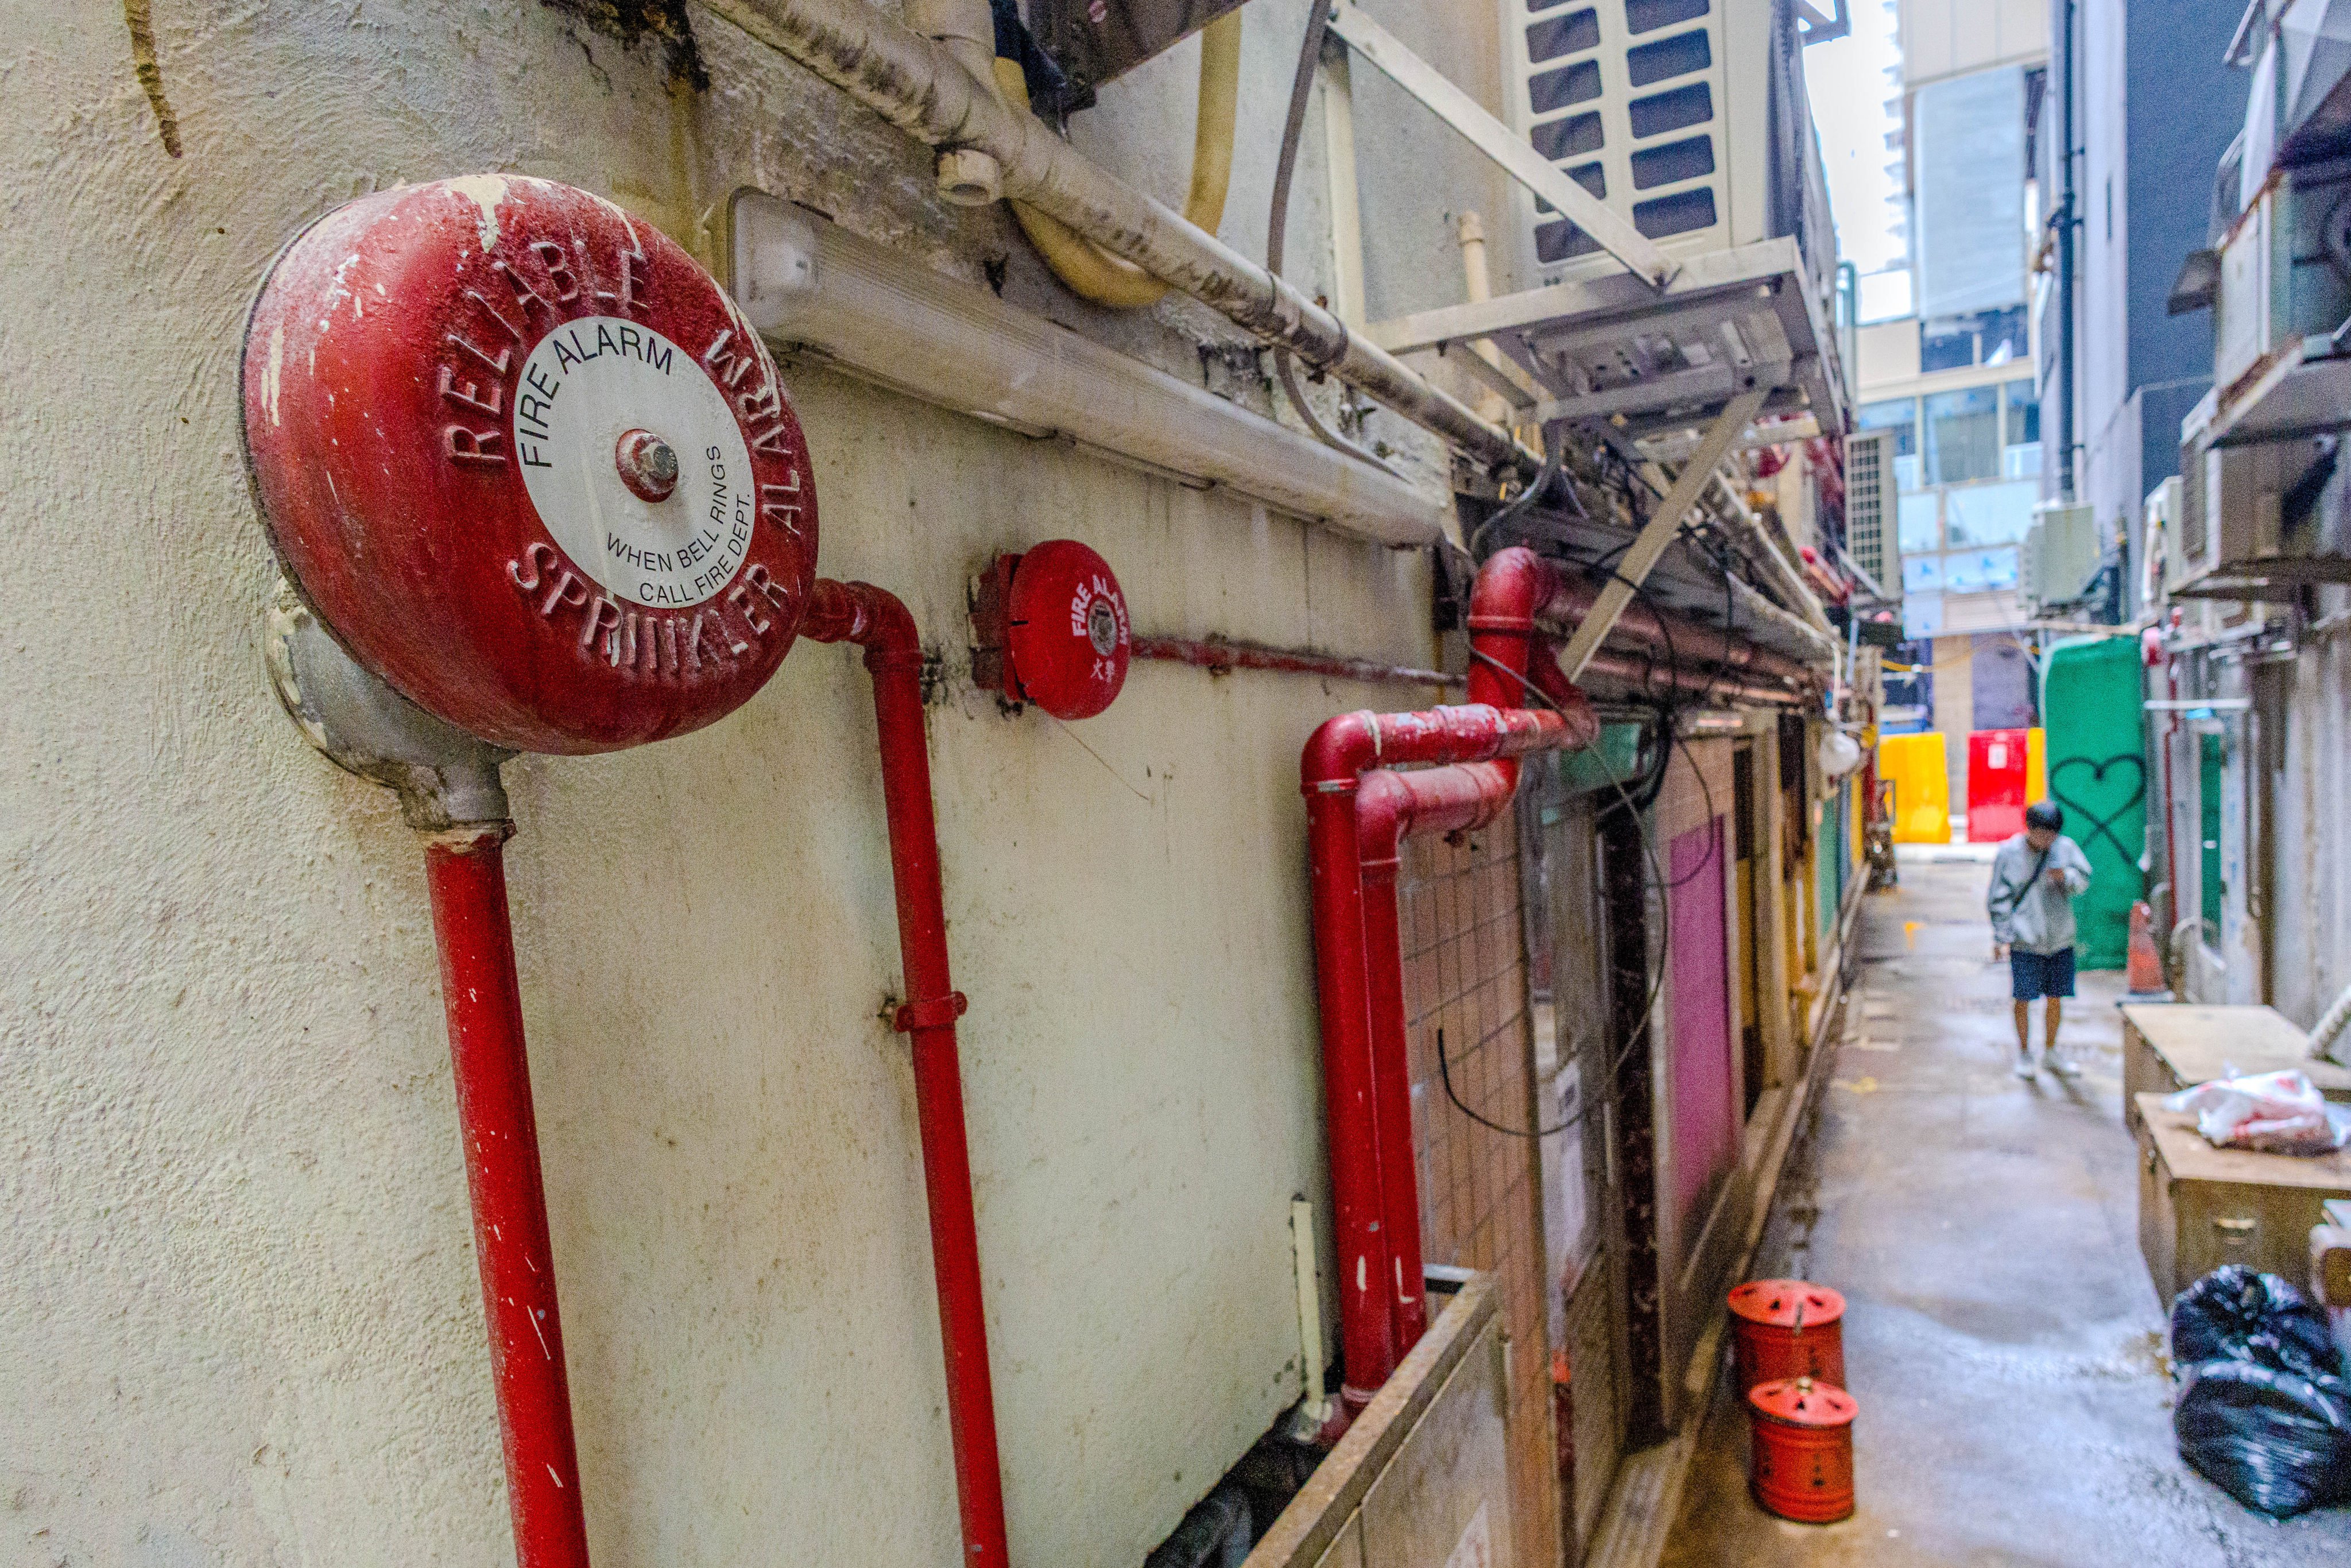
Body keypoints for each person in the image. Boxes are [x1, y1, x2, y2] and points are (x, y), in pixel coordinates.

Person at [1988, 800, 2094, 1079]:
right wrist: (2001, 937)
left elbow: (2084, 880)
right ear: (2029, 829)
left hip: (2060, 939)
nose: (2047, 840)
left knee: (2056, 997)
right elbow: (1998, 899)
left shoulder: (2066, 848)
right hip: (2025, 940)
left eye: (2052, 835)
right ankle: (2024, 1053)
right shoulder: (2009, 853)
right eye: (2041, 834)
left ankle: (2051, 1052)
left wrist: (2066, 878)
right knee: (2023, 998)